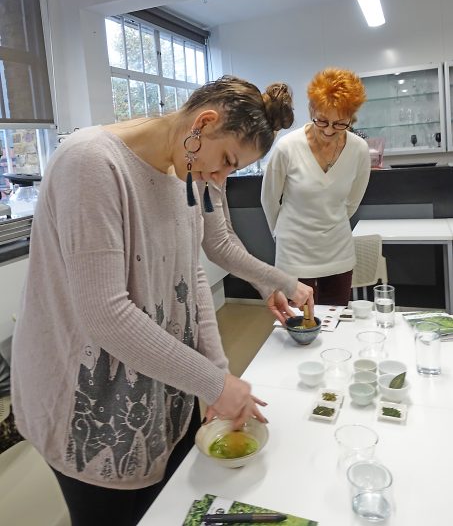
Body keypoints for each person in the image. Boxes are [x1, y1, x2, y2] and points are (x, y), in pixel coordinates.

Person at [12, 75, 312, 526]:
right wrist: (214, 383)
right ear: (204, 122)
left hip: (162, 384)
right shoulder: (90, 162)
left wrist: (218, 371)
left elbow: (191, 275)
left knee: (170, 508)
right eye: (226, 161)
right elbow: (106, 315)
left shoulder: (189, 169)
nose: (221, 178)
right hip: (88, 397)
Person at [261, 67, 371, 306]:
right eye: (322, 120)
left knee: (337, 319)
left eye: (340, 123)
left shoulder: (359, 150)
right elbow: (269, 199)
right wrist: (282, 234)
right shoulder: (287, 147)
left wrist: (330, 221)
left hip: (338, 251)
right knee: (299, 320)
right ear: (311, 110)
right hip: (294, 253)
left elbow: (353, 201)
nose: (329, 130)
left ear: (351, 118)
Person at [198, 180, 314, 325]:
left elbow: (226, 235)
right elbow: (219, 246)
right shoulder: (204, 175)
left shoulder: (213, 175)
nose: (222, 176)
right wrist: (287, 284)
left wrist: (269, 288)